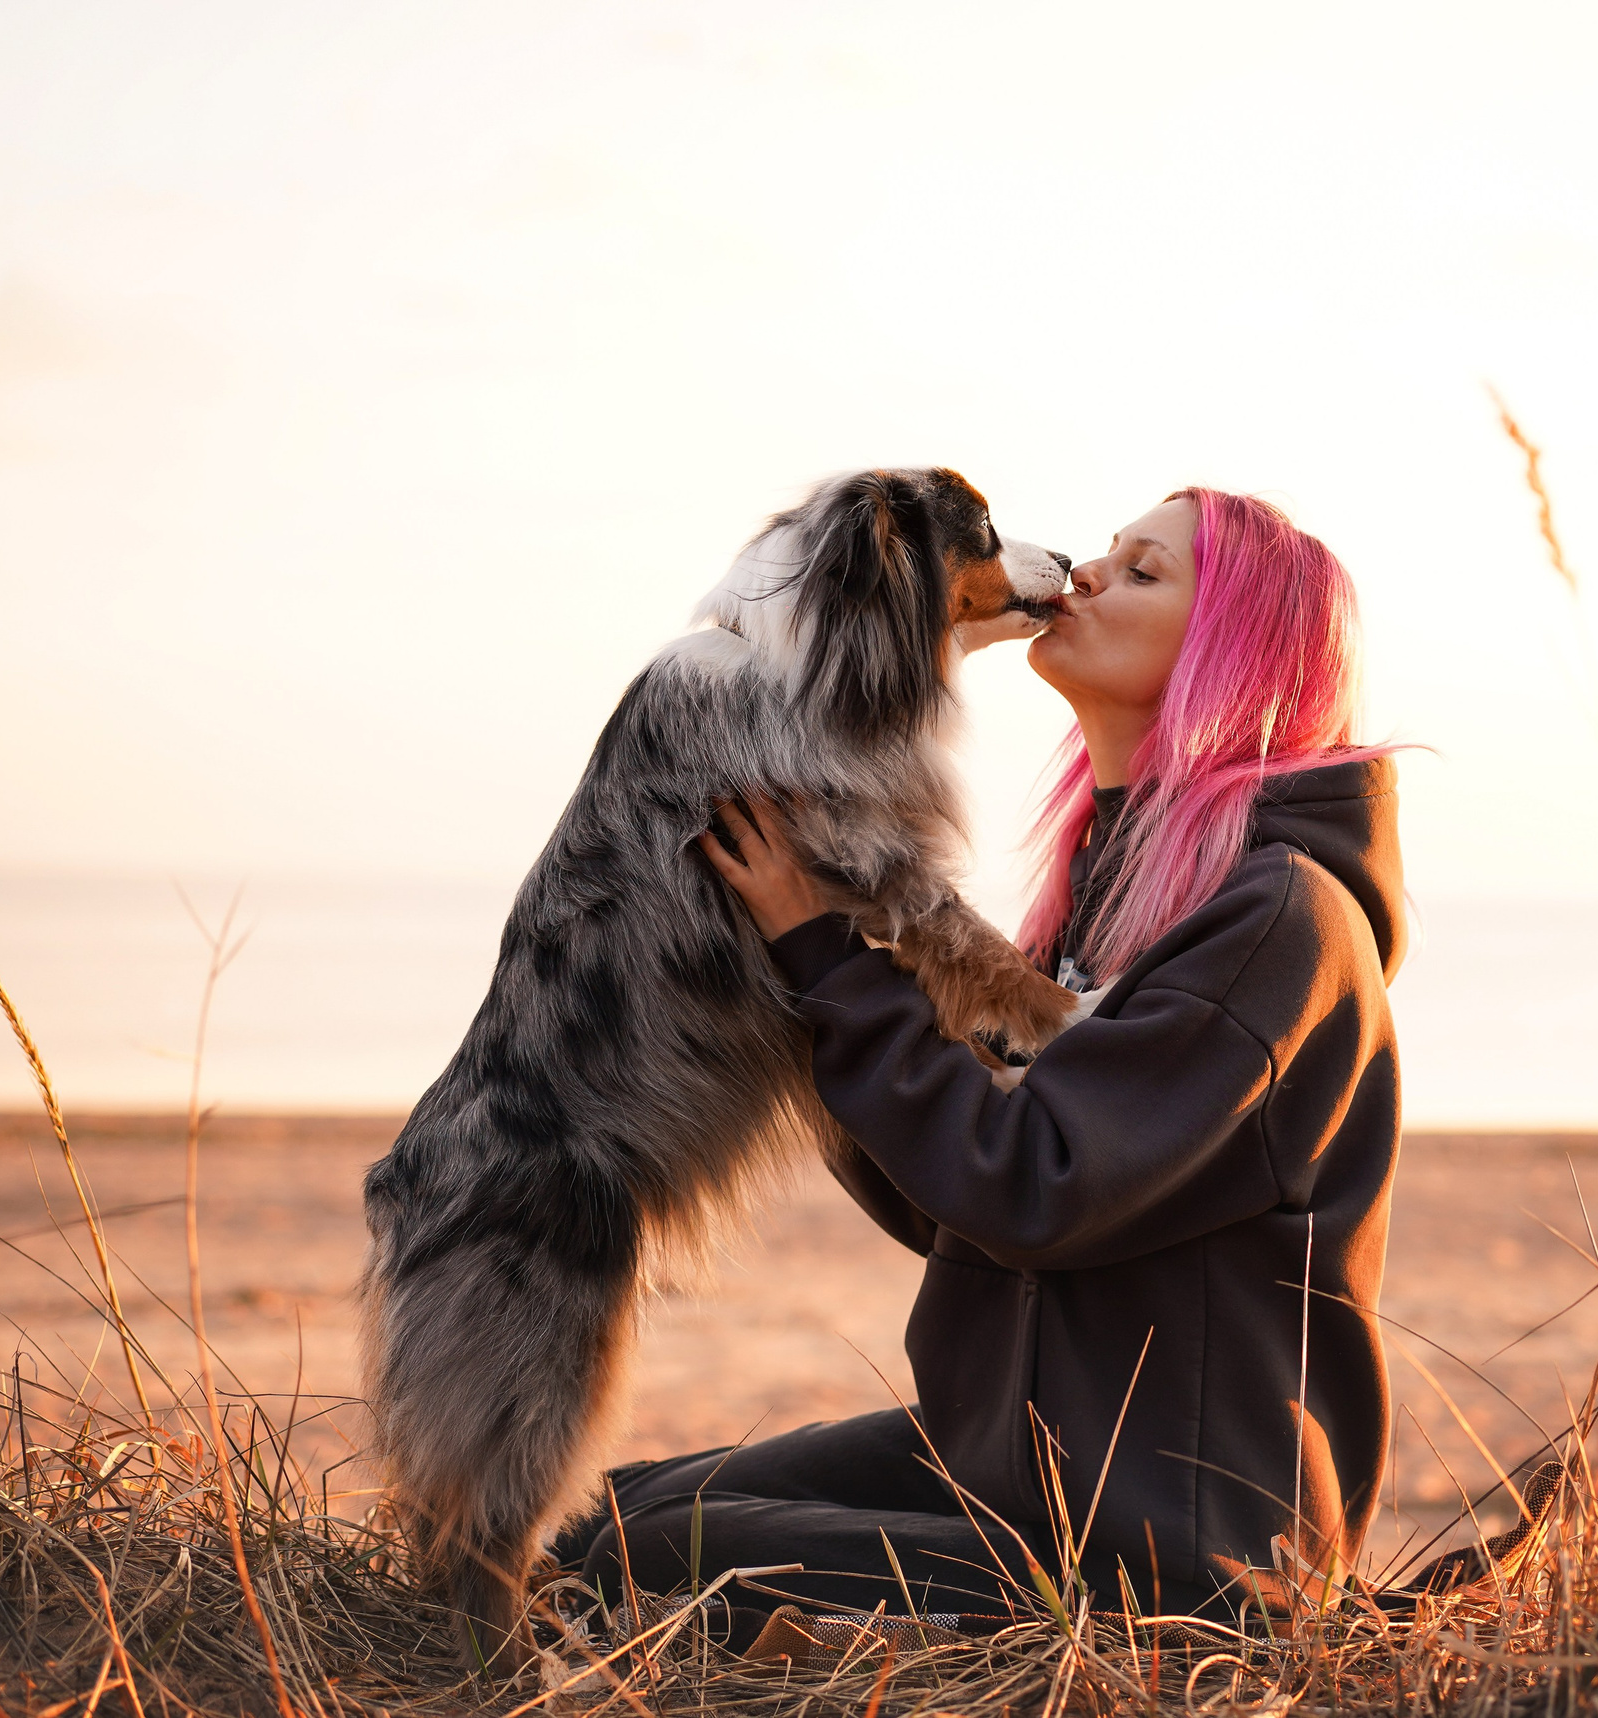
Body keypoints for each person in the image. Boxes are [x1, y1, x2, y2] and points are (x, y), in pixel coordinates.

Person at [552, 489, 1406, 1637]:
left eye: (1143, 571)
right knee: (592, 1509)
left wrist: (826, 955)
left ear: (1235, 651)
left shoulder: (1279, 918)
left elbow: (1027, 1186)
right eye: (1103, 553)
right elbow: (952, 1210)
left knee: (641, 1551)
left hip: (1169, 1553)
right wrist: (782, 975)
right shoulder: (1102, 911)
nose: (1088, 574)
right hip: (1018, 1463)